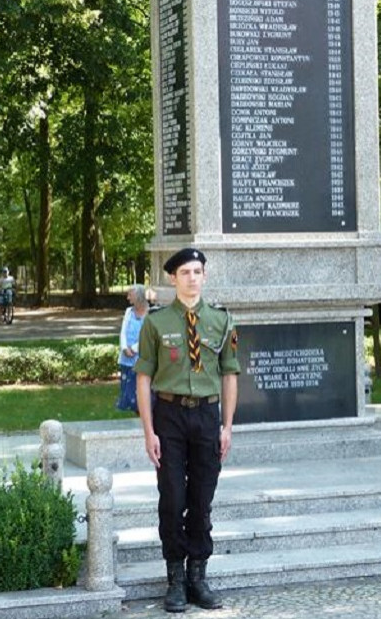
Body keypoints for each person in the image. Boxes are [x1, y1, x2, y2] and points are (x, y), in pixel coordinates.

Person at [135, 248, 239, 612]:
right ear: (172, 278)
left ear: (205, 277)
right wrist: (149, 431)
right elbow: (143, 378)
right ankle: (175, 579)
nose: (192, 278)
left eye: (197, 271)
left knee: (201, 501)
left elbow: (229, 374)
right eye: (185, 272)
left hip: (207, 419)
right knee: (173, 499)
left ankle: (198, 576)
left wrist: (227, 426)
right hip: (170, 416)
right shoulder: (156, 322)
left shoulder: (221, 321)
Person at [117, 285, 149, 414]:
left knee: (141, 384)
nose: (128, 297)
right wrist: (124, 347)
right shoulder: (129, 311)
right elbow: (123, 331)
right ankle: (132, 408)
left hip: (141, 355)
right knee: (128, 385)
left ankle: (142, 410)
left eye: (130, 294)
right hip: (127, 356)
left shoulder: (149, 313)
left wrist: (135, 348)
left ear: (138, 296)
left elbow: (148, 336)